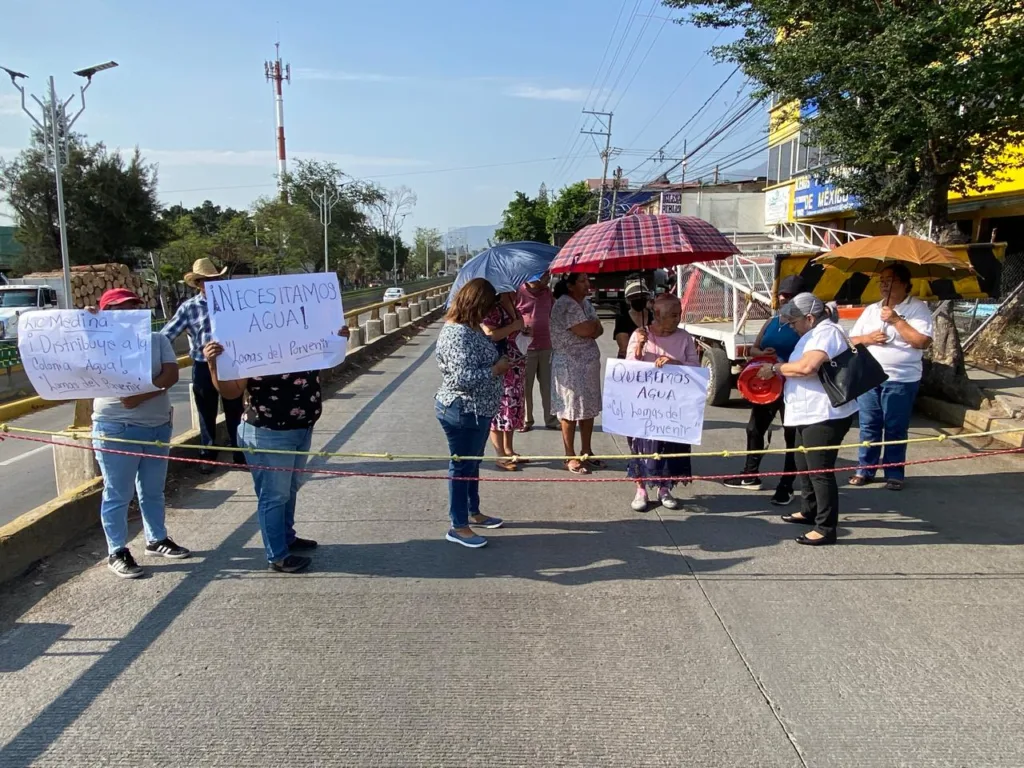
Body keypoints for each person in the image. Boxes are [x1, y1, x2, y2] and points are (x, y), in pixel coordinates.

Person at [203, 325, 350, 573]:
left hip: (301, 429)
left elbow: (328, 362)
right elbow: (231, 393)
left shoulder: (305, 338)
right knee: (274, 495)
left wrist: (338, 340)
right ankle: (278, 555)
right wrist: (213, 365)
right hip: (267, 433)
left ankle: (287, 537)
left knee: (289, 489)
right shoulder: (249, 347)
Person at [91, 289, 190, 578]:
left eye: (134, 305)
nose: (129, 311)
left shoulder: (157, 340)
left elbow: (170, 374)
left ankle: (156, 538)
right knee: (117, 492)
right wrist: (86, 320)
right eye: (120, 308)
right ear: (106, 313)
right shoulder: (97, 342)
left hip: (157, 425)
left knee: (153, 489)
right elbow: (69, 344)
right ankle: (117, 550)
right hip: (116, 427)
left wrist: (141, 394)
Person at [756, 293, 859, 546]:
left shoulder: (827, 333)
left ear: (810, 318)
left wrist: (775, 369)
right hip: (807, 411)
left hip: (824, 414)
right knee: (803, 462)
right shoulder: (813, 334)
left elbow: (806, 368)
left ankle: (825, 527)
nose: (792, 326)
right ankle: (809, 509)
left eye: (794, 322)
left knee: (820, 469)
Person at [435, 278, 510, 548]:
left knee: (472, 463)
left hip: (479, 410)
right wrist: (495, 370)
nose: (490, 313)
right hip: (463, 409)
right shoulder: (457, 333)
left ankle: (472, 511)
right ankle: (458, 525)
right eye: (488, 306)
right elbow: (462, 377)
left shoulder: (472, 328)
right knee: (462, 466)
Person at [849, 264, 933, 491]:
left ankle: (894, 473)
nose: (884, 284)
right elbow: (852, 340)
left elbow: (921, 342)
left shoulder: (918, 308)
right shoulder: (871, 309)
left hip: (901, 378)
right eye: (881, 280)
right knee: (869, 425)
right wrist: (868, 337)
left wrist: (897, 320)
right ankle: (864, 469)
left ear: (905, 284)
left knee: (895, 427)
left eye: (890, 280)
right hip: (870, 376)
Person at [723, 274, 806, 504]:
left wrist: (782, 366)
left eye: (790, 297)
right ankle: (750, 475)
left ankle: (787, 484)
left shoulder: (806, 326)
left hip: (793, 387)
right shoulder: (772, 321)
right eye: (782, 296)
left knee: (792, 437)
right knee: (754, 429)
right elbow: (753, 350)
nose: (784, 300)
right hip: (767, 385)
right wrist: (763, 353)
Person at [161, 258, 244, 473]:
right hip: (202, 364)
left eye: (216, 279)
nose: (213, 283)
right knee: (206, 412)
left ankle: (240, 453)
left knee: (235, 408)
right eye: (207, 281)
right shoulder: (189, 308)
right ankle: (208, 454)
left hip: (232, 363)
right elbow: (166, 335)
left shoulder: (235, 303)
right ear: (199, 284)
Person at [626, 293, 699, 512]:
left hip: (672, 403)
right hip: (644, 401)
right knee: (641, 445)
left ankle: (664, 488)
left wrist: (676, 363)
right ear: (656, 315)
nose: (677, 319)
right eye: (672, 315)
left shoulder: (684, 337)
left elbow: (695, 367)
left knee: (669, 445)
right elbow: (629, 369)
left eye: (678, 314)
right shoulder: (640, 334)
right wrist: (639, 348)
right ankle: (641, 489)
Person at [550, 272, 604, 475]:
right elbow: (586, 329)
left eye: (587, 279)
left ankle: (586, 451)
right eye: (582, 281)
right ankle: (569, 454)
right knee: (570, 410)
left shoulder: (585, 303)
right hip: (569, 367)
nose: (587, 284)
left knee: (587, 409)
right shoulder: (565, 304)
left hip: (588, 365)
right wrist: (592, 327)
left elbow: (598, 329)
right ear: (570, 285)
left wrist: (592, 327)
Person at [481, 291, 527, 469]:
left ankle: (509, 449)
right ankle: (499, 453)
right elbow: (490, 334)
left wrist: (522, 329)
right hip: (502, 364)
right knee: (501, 408)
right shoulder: (493, 308)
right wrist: (513, 327)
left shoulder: (513, 307)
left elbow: (517, 328)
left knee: (514, 407)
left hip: (516, 364)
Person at [516, 272, 559, 431]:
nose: (546, 281)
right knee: (526, 385)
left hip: (547, 344)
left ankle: (551, 419)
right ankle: (526, 420)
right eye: (544, 279)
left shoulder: (547, 293)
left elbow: (553, 313)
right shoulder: (519, 292)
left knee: (548, 385)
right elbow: (514, 315)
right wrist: (520, 326)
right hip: (526, 346)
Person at [613, 278, 654, 359]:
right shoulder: (623, 319)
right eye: (635, 297)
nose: (639, 299)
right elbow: (624, 347)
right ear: (629, 300)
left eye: (642, 296)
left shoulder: (653, 317)